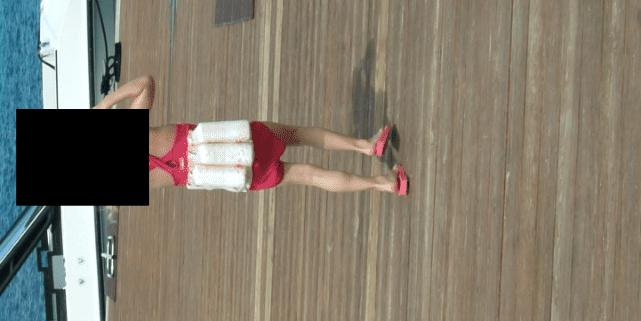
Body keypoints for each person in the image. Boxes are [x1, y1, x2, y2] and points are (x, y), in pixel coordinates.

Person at [96, 75, 409, 196]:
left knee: (311, 176)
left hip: (235, 172)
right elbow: (146, 83)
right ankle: (367, 147)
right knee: (298, 134)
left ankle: (384, 184)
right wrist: (105, 104)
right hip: (234, 140)